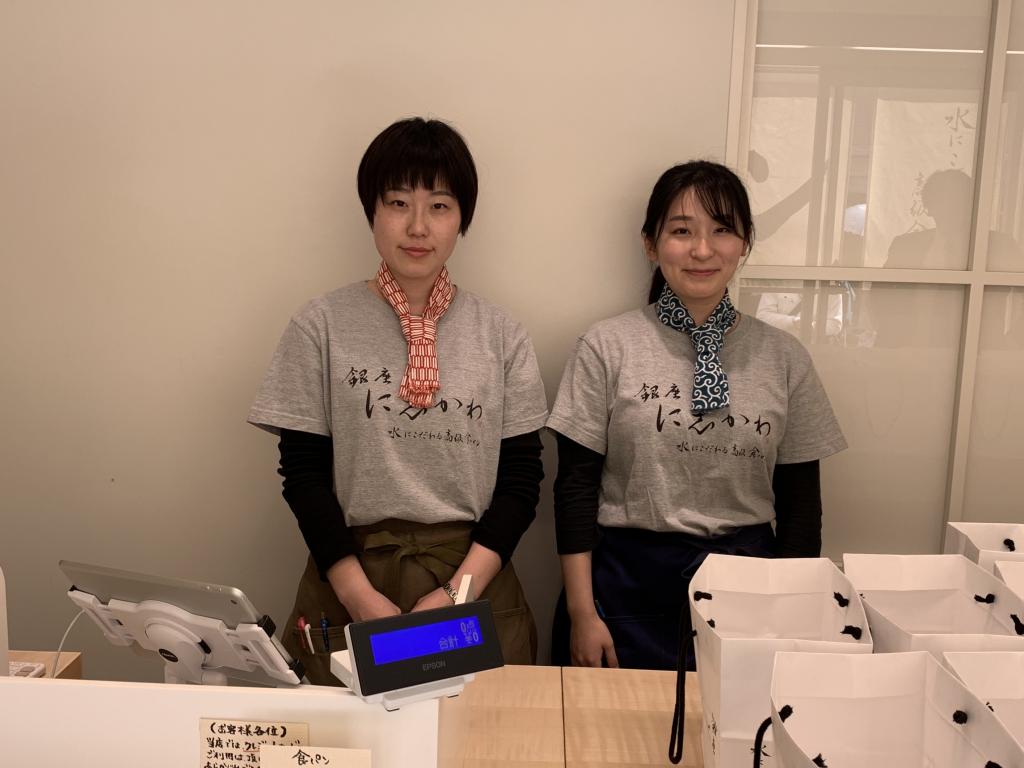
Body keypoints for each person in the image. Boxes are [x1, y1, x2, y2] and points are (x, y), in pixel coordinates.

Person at [248, 117, 548, 683]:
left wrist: (456, 595)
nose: (417, 226)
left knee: (470, 745)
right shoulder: (321, 325)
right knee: (352, 748)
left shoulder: (501, 334)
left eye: (439, 205)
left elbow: (521, 480)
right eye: (397, 202)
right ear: (371, 212)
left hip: (470, 577)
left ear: (463, 219)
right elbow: (304, 474)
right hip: (353, 575)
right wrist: (360, 598)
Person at [547, 160, 847, 671]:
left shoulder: (784, 357)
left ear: (745, 242)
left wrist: (793, 615)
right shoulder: (607, 345)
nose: (702, 250)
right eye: (682, 231)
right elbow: (574, 489)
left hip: (749, 589)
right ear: (650, 244)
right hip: (622, 590)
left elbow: (800, 508)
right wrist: (582, 613)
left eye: (721, 230)